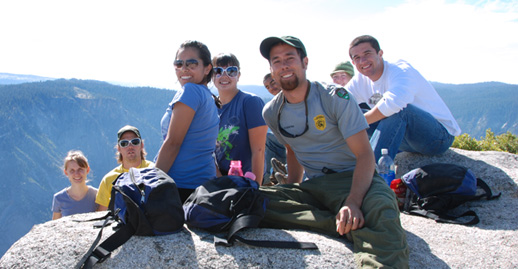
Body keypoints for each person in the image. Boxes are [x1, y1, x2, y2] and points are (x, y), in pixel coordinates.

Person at [258, 35, 408, 267]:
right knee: (252, 199)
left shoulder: (335, 97)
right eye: (276, 61)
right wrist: (290, 189)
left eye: (290, 58)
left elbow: (365, 155)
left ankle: (354, 222)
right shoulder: (272, 111)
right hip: (316, 187)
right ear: (271, 69)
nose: (284, 65)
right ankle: (343, 222)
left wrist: (354, 201)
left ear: (304, 62)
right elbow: (292, 150)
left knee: (382, 209)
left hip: (356, 179)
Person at [345, 35, 461, 162]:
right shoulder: (359, 81)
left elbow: (393, 104)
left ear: (380, 53)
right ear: (353, 63)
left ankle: (373, 171)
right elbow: (338, 101)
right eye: (357, 58)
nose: (363, 61)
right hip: (405, 141)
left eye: (367, 53)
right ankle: (342, 164)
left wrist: (356, 123)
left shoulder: (400, 71)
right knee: (347, 113)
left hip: (438, 138)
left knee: (399, 111)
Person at [155, 40, 219, 203]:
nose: (184, 69)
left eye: (191, 63)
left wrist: (150, 186)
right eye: (179, 63)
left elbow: (173, 143)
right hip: (202, 187)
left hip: (180, 188)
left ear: (207, 68)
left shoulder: (190, 91)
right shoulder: (207, 95)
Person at [212, 53, 267, 185]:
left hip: (248, 178)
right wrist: (220, 181)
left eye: (231, 71)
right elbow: (207, 151)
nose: (224, 76)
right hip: (222, 179)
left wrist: (255, 186)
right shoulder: (210, 108)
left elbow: (258, 150)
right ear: (211, 76)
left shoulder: (251, 102)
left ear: (239, 76)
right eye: (218, 71)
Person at [95, 125, 154, 211]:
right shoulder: (108, 180)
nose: (130, 146)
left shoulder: (153, 171)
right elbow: (101, 213)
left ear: (141, 145)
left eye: (135, 142)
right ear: (119, 148)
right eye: (124, 143)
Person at [52, 150, 98, 219]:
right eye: (72, 170)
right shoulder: (59, 198)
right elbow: (54, 226)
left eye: (80, 169)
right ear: (66, 172)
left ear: (87, 170)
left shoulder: (97, 195)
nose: (76, 174)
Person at [262, 73, 287, 185]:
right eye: (267, 87)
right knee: (268, 138)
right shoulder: (274, 106)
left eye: (273, 83)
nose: (271, 88)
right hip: (286, 141)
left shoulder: (292, 97)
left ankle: (278, 175)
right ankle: (271, 177)